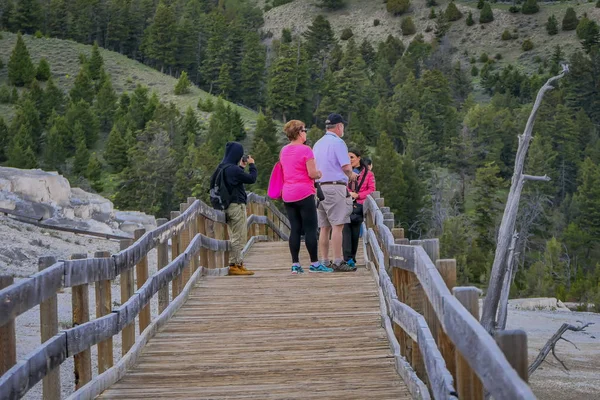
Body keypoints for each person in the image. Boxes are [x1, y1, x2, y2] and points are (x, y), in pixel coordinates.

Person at [280, 120, 332, 274]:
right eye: (304, 130)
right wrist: (319, 173)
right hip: (304, 192)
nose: (306, 133)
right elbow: (311, 173)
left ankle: (295, 264)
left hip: (288, 193)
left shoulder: (283, 150)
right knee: (310, 229)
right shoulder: (306, 150)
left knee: (295, 228)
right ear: (299, 132)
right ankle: (314, 264)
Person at [313, 113, 358, 272]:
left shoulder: (318, 144)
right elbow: (346, 167)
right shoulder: (338, 143)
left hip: (319, 187)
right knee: (337, 226)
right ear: (339, 126)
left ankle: (324, 260)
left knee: (324, 227)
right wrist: (352, 175)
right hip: (335, 186)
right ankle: (338, 261)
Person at [212, 142, 257, 276]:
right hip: (236, 205)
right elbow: (251, 179)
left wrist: (241, 167)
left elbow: (235, 180)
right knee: (239, 235)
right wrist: (252, 165)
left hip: (226, 205)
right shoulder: (233, 169)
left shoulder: (222, 168)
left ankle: (238, 262)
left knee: (235, 234)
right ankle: (234, 265)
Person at [343, 149, 376, 267]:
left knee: (355, 231)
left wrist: (358, 195)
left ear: (358, 158)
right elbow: (341, 185)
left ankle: (352, 256)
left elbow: (371, 189)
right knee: (345, 229)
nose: (349, 160)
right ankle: (347, 258)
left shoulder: (368, 174)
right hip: (346, 203)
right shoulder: (344, 173)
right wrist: (349, 193)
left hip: (360, 205)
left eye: (351, 157)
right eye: (347, 158)